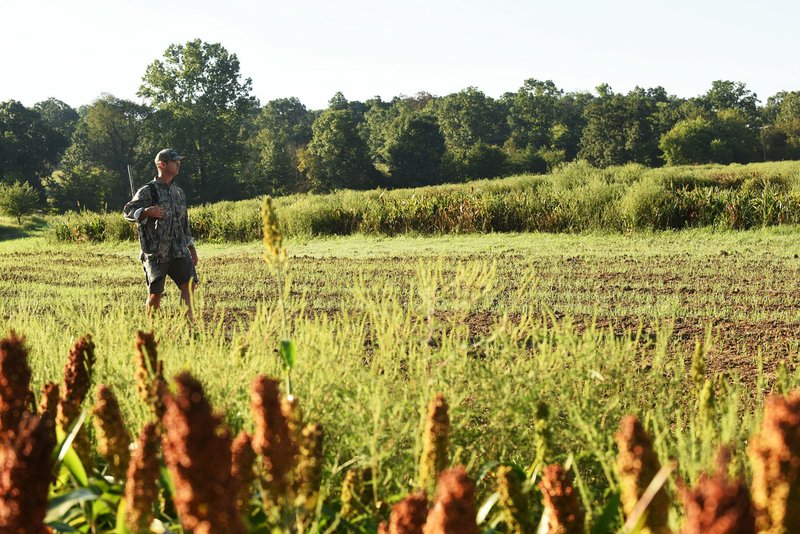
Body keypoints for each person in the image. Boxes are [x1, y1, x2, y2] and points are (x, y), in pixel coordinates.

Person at [123, 149, 198, 321]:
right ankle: (152, 331)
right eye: (175, 161)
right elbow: (127, 211)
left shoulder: (179, 192)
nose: (178, 164)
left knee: (189, 284)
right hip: (156, 253)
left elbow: (184, 223)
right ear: (162, 165)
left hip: (179, 250)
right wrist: (147, 211)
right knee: (155, 295)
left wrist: (191, 248)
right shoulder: (148, 191)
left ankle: (188, 327)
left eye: (179, 161)